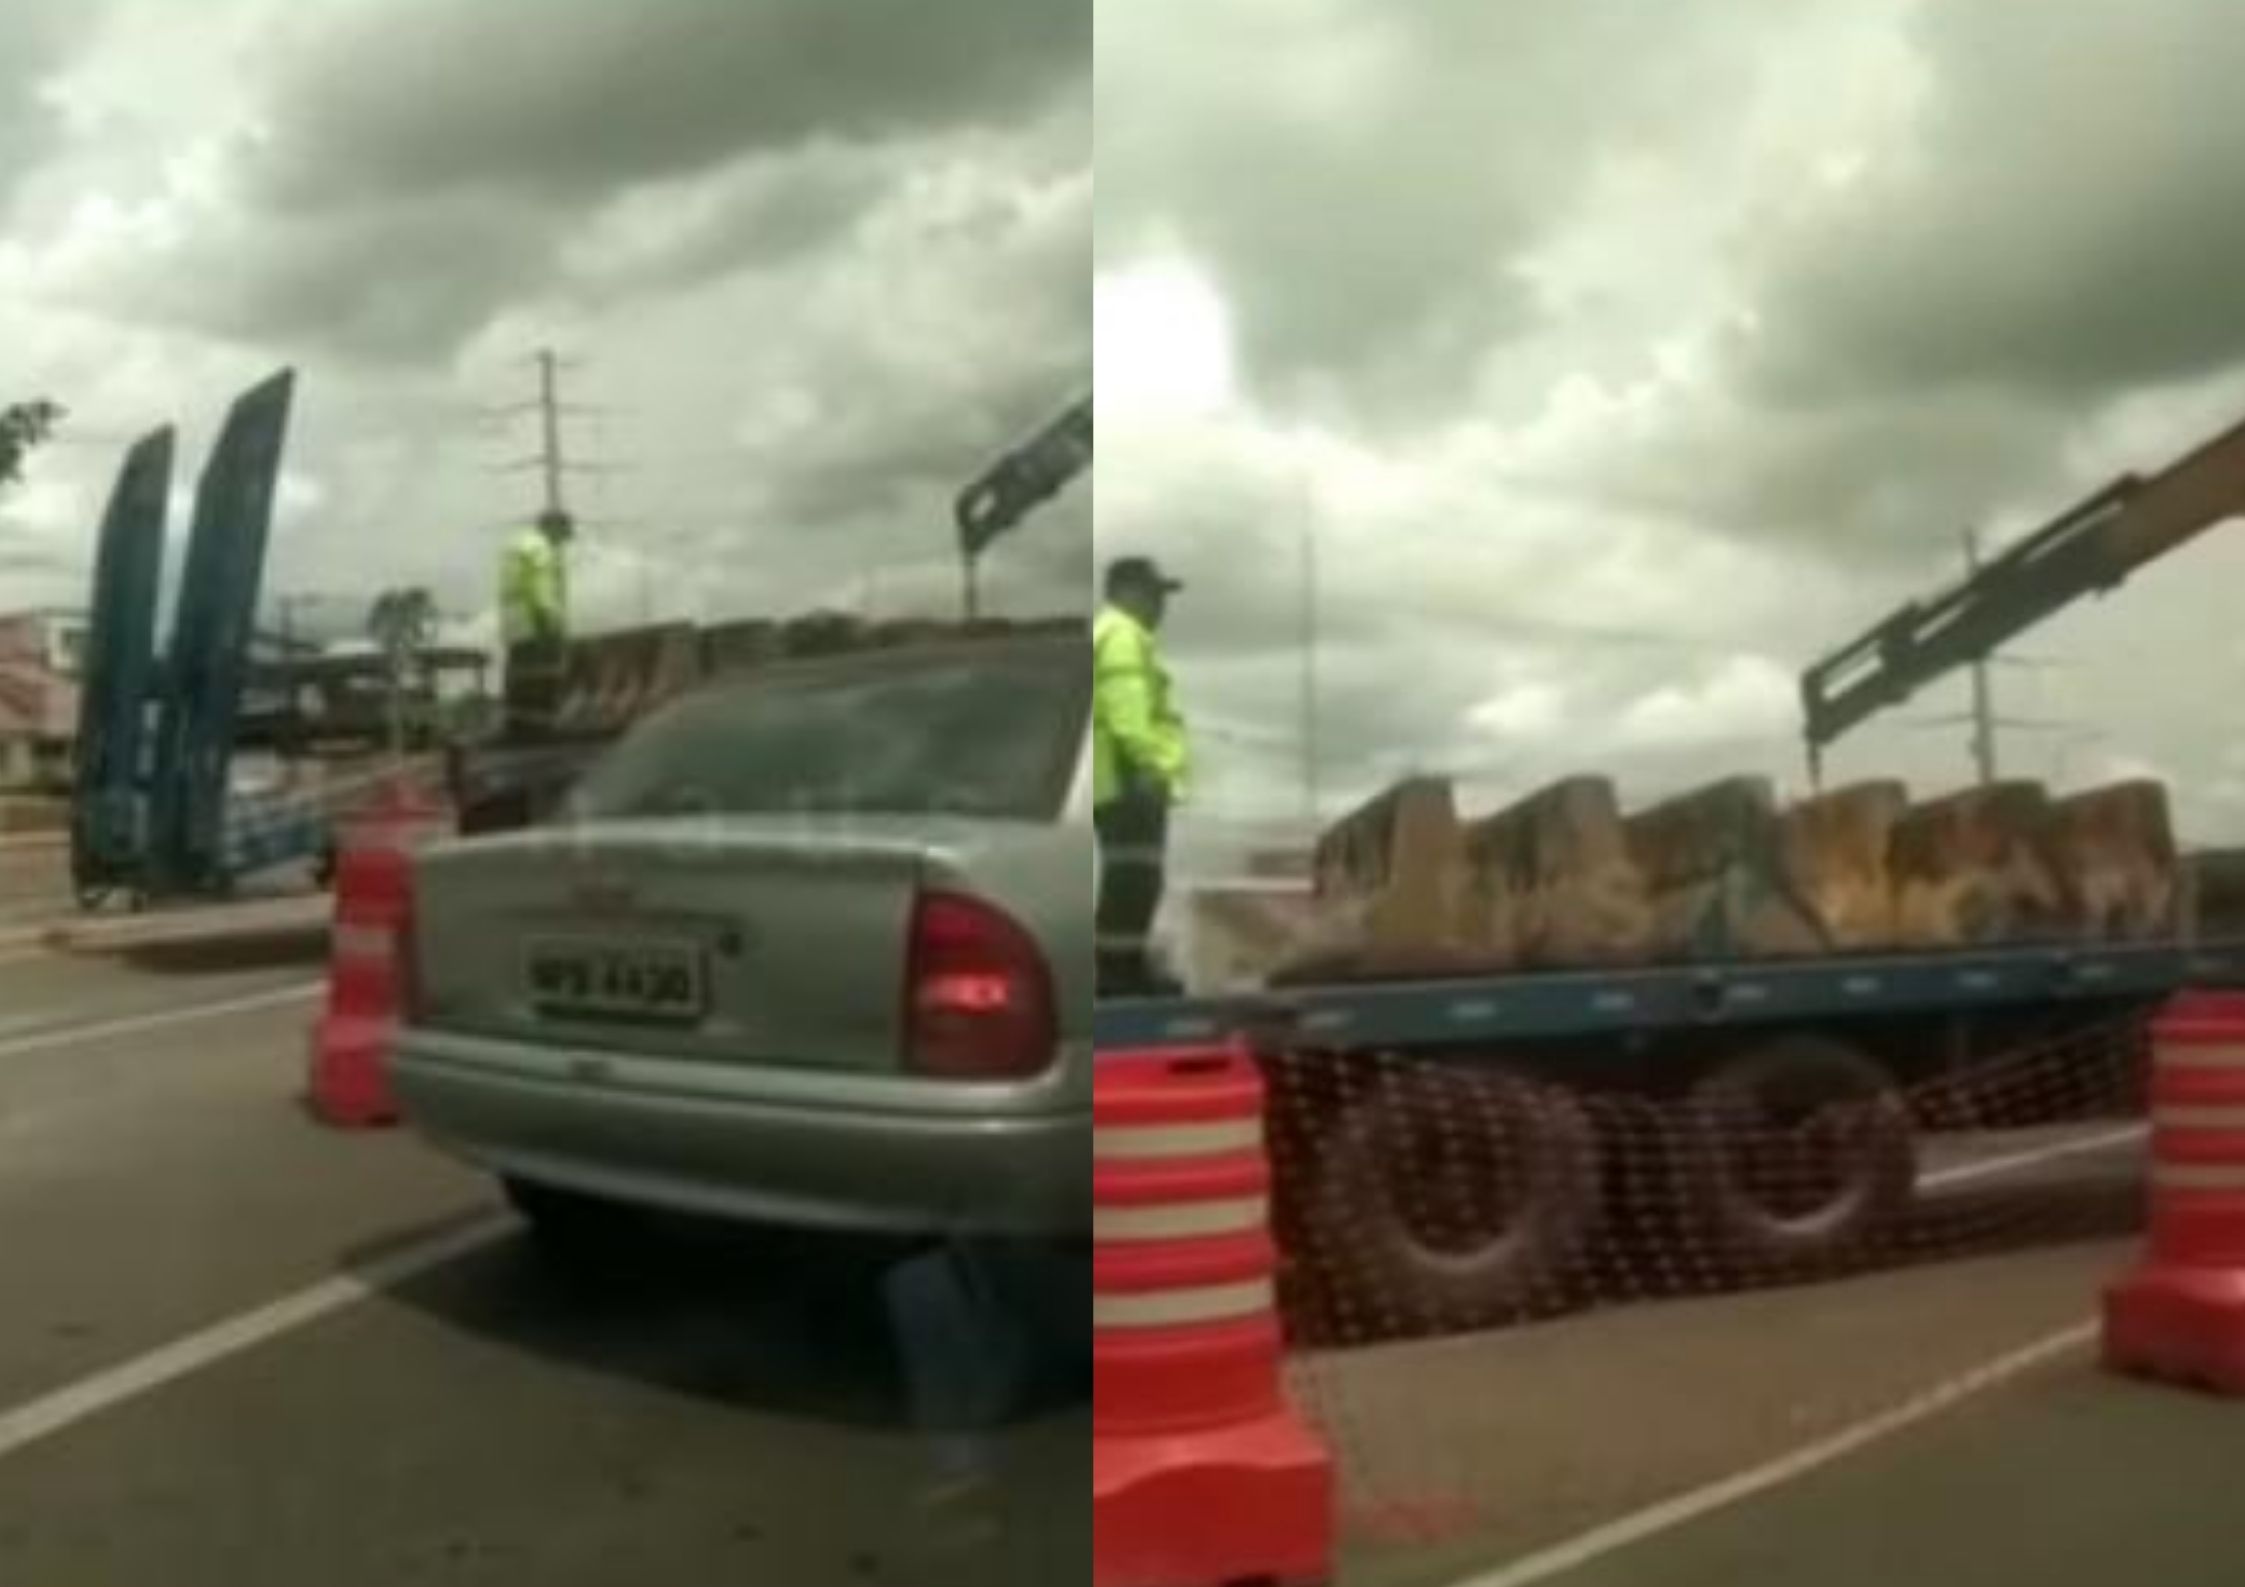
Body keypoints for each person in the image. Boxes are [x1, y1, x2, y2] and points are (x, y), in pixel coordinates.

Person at [1093, 555, 1191, 998]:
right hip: (1129, 778)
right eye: (1154, 594)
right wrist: (1149, 766)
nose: (1160, 606)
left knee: (1132, 875)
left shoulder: (1114, 634)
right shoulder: (1123, 635)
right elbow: (1127, 707)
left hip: (1119, 776)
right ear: (1126, 592)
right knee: (1135, 877)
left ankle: (1121, 967)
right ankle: (1118, 973)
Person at [498, 507, 574, 732]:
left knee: (520, 673)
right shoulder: (542, 549)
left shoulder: (520, 545)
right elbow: (542, 588)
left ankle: (517, 720)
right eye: (564, 533)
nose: (565, 540)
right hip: (535, 620)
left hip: (513, 622)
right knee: (546, 670)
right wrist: (550, 621)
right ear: (553, 528)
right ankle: (545, 722)